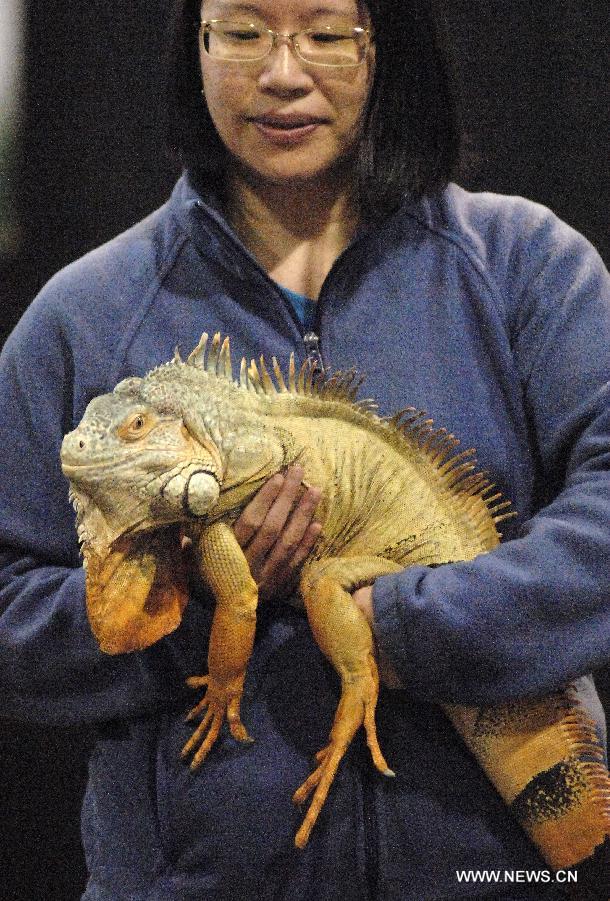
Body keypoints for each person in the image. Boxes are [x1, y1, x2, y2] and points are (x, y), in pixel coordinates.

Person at [1, 0, 609, 897]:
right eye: (243, 32)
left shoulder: (526, 264)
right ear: (196, 50)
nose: (283, 73)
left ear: (386, 47)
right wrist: (196, 601)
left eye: (326, 33)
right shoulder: (84, 313)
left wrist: (410, 622)